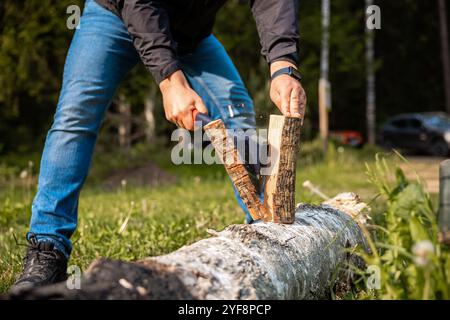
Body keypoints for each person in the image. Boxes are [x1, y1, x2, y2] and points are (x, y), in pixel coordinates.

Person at [10, 0, 306, 292]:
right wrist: (170, 81)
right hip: (114, 15)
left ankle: (267, 234)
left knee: (237, 115)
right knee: (76, 116)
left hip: (190, 36)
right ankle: (47, 250)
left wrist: (283, 65)